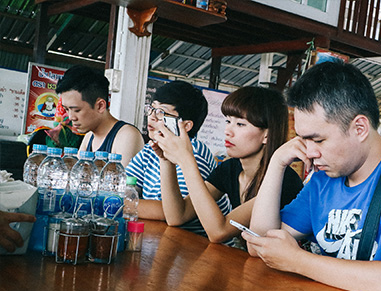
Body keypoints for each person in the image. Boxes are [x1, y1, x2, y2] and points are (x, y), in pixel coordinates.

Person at [244, 61, 381, 291]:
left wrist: (298, 261)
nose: (309, 152)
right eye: (303, 140)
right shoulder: (323, 179)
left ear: (359, 128)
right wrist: (276, 163)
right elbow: (261, 245)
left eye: (317, 139)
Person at [154, 86, 303, 244]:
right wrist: (166, 160)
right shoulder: (231, 168)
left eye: (240, 124)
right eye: (228, 121)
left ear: (266, 134)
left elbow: (219, 232)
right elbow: (177, 216)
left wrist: (186, 160)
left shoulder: (283, 181)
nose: (227, 131)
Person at [125, 80, 230, 235]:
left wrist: (116, 203)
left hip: (197, 245)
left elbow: (169, 212)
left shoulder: (195, 153)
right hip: (164, 237)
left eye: (161, 112)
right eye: (151, 109)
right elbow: (125, 187)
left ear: (186, 126)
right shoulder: (150, 148)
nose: (152, 117)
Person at [56, 65, 144, 167]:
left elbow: (125, 181)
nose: (71, 117)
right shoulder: (89, 137)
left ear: (100, 106)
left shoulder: (127, 136)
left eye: (76, 110)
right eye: (66, 109)